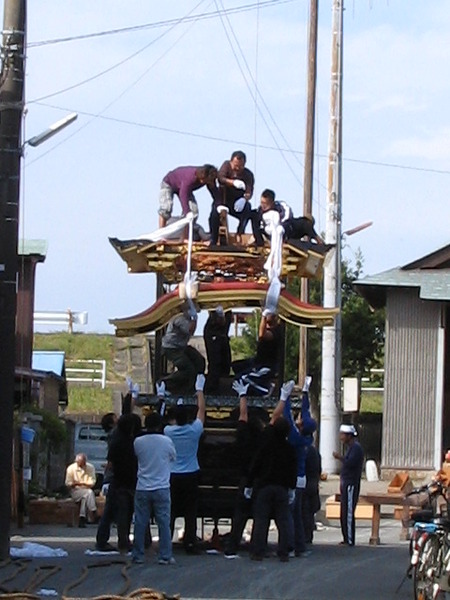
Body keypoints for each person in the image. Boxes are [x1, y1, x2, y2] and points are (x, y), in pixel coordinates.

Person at [271, 377, 317, 558]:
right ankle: (300, 547)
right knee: (297, 515)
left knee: (288, 515)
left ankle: (289, 546)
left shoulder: (296, 438)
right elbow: (304, 413)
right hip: (302, 478)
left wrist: (286, 397)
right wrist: (304, 393)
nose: (300, 418)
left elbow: (288, 418)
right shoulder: (307, 438)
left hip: (294, 479)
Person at [223, 378, 267, 558]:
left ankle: (232, 546)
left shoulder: (242, 438)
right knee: (259, 516)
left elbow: (242, 416)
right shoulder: (265, 440)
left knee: (240, 516)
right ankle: (257, 548)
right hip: (260, 480)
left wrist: (242, 396)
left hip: (244, 478)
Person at [164, 374, 206, 554]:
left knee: (171, 510)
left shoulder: (168, 432)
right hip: (191, 474)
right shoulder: (194, 430)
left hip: (172, 475)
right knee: (191, 511)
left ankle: (167, 542)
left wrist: (164, 401)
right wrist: (200, 391)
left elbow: (163, 420)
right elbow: (202, 412)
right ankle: (190, 542)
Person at [247, 416, 297, 562]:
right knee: (282, 521)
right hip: (282, 488)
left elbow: (255, 465)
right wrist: (292, 488)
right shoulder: (289, 449)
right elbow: (292, 470)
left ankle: (258, 551)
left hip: (265, 486)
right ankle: (283, 552)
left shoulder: (266, 446)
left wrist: (249, 484)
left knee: (261, 520)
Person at [132, 412, 177, 565]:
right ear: (160, 425)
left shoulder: (138, 441)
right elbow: (173, 457)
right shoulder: (166, 441)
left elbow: (137, 458)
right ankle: (165, 555)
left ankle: (138, 554)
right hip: (162, 486)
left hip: (143, 486)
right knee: (164, 522)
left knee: (140, 522)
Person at [107, 413, 142, 553]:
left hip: (119, 481)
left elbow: (110, 464)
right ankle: (142, 541)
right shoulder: (136, 441)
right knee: (139, 513)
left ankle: (123, 542)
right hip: (136, 480)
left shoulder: (116, 442)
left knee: (123, 514)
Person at [231, 310, 283, 395]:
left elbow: (262, 335)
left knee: (241, 378)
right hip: (257, 361)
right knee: (236, 366)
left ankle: (265, 389)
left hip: (267, 366)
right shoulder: (269, 328)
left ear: (275, 316)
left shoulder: (276, 331)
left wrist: (263, 316)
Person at [209, 150, 254, 245]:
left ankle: (240, 233)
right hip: (223, 200)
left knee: (248, 208)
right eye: (235, 165)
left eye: (240, 166)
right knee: (214, 213)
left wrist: (244, 199)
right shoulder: (226, 166)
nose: (237, 168)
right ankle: (213, 238)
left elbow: (249, 191)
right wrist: (233, 182)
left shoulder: (248, 175)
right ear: (231, 162)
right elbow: (220, 178)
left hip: (237, 202)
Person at [250, 188, 324, 246]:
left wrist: (279, 226)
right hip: (270, 234)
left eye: (265, 203)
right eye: (261, 202)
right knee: (253, 217)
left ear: (272, 202)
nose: (263, 205)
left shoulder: (282, 207)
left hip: (287, 230)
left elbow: (288, 218)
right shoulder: (259, 212)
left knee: (304, 223)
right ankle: (259, 243)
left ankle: (319, 241)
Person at [158, 164, 219, 229]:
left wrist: (219, 205)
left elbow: (214, 192)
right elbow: (183, 194)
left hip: (184, 188)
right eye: (202, 180)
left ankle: (185, 237)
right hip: (169, 183)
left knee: (194, 212)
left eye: (205, 181)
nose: (202, 182)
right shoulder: (190, 177)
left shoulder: (209, 179)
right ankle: (160, 232)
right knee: (166, 208)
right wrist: (186, 212)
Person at [333, 423, 364, 547]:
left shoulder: (356, 448)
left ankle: (350, 539)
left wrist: (340, 457)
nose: (341, 437)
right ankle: (346, 537)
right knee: (344, 511)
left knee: (349, 511)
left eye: (343, 435)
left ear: (349, 436)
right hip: (346, 482)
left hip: (351, 483)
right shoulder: (351, 448)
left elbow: (350, 463)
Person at [161, 308, 206, 394]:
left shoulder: (187, 318)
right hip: (171, 348)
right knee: (187, 369)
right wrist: (194, 319)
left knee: (199, 361)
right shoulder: (179, 318)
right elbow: (190, 330)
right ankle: (165, 384)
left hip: (182, 347)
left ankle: (194, 387)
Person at [95, 412, 118, 550]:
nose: (118, 418)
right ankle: (102, 540)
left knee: (111, 510)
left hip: (111, 476)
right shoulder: (115, 435)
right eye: (115, 418)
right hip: (113, 477)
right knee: (110, 510)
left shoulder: (113, 435)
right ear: (111, 423)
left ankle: (102, 539)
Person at [203, 305, 232, 394]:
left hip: (221, 331)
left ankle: (221, 388)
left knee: (226, 362)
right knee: (215, 363)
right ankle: (210, 390)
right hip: (214, 330)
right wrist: (220, 314)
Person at [65, 453, 98, 528]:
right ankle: (93, 511)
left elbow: (92, 483)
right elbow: (68, 484)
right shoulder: (71, 468)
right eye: (79, 464)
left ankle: (82, 518)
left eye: (83, 464)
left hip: (86, 490)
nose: (81, 466)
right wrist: (82, 484)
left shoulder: (90, 468)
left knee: (85, 497)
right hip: (75, 491)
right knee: (89, 493)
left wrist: (78, 483)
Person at [302, 440, 322, 545]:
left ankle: (304, 537)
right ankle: (308, 536)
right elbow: (319, 469)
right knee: (309, 512)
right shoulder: (314, 451)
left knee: (304, 511)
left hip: (305, 483)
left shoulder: (304, 450)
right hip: (313, 483)